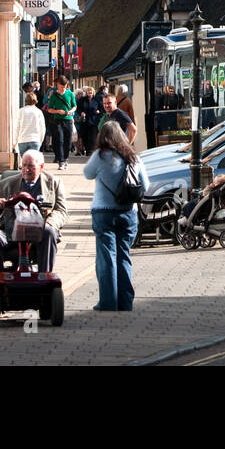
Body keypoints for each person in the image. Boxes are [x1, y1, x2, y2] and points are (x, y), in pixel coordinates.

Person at [83, 120, 150, 311]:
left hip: (103, 212)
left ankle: (108, 302)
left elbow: (87, 174)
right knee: (123, 256)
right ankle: (125, 302)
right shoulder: (133, 158)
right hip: (128, 213)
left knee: (107, 258)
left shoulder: (100, 155)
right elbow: (145, 185)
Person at [0, 149, 68, 278]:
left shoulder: (54, 183)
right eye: (24, 165)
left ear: (41, 167)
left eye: (31, 166)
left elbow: (61, 211)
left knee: (49, 232)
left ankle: (44, 276)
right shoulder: (6, 184)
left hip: (38, 232)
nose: (26, 169)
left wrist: (50, 223)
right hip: (11, 232)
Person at [42, 74, 76, 170]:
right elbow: (49, 109)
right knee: (60, 140)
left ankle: (65, 158)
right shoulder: (54, 96)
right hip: (57, 120)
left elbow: (74, 106)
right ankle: (61, 161)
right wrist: (58, 111)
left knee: (68, 141)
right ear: (57, 85)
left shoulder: (70, 94)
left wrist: (71, 111)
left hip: (68, 120)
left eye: (64, 87)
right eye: (61, 87)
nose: (62, 89)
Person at [15, 92, 46, 161]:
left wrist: (15, 141)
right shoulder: (38, 112)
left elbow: (17, 127)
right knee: (34, 162)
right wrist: (40, 140)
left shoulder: (21, 111)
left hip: (22, 139)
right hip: (35, 139)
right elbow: (42, 128)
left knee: (25, 162)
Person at [78, 86, 100, 155]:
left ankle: (90, 151)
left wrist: (98, 111)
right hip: (84, 121)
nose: (90, 93)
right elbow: (78, 108)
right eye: (88, 92)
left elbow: (101, 108)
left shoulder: (97, 100)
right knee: (85, 136)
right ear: (86, 92)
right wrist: (81, 112)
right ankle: (87, 150)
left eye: (91, 92)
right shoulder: (82, 100)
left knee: (93, 136)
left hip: (94, 121)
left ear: (93, 93)